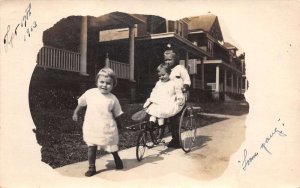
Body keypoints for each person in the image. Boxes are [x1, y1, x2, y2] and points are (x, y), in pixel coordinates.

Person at [72, 67, 124, 177]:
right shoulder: (90, 93)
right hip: (92, 126)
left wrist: (119, 124)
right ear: (96, 82)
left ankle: (116, 158)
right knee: (92, 145)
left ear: (113, 85)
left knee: (111, 146)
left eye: (108, 83)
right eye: (102, 82)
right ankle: (92, 167)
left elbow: (117, 113)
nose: (104, 85)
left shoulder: (113, 99)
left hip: (107, 127)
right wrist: (75, 113)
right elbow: (81, 103)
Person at [163, 45, 191, 148]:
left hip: (179, 96)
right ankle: (160, 134)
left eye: (170, 60)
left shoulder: (180, 69)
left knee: (175, 118)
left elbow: (187, 80)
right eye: (166, 60)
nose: (167, 62)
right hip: (168, 97)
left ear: (175, 59)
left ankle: (176, 139)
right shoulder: (165, 70)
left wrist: (185, 87)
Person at [143, 64, 184, 129]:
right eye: (159, 76)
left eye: (163, 75)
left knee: (162, 111)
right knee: (154, 111)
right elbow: (154, 91)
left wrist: (179, 99)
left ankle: (161, 125)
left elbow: (178, 92)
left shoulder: (173, 83)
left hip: (168, 101)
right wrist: (151, 98)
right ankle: (151, 123)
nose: (161, 77)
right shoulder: (158, 83)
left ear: (169, 73)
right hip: (158, 101)